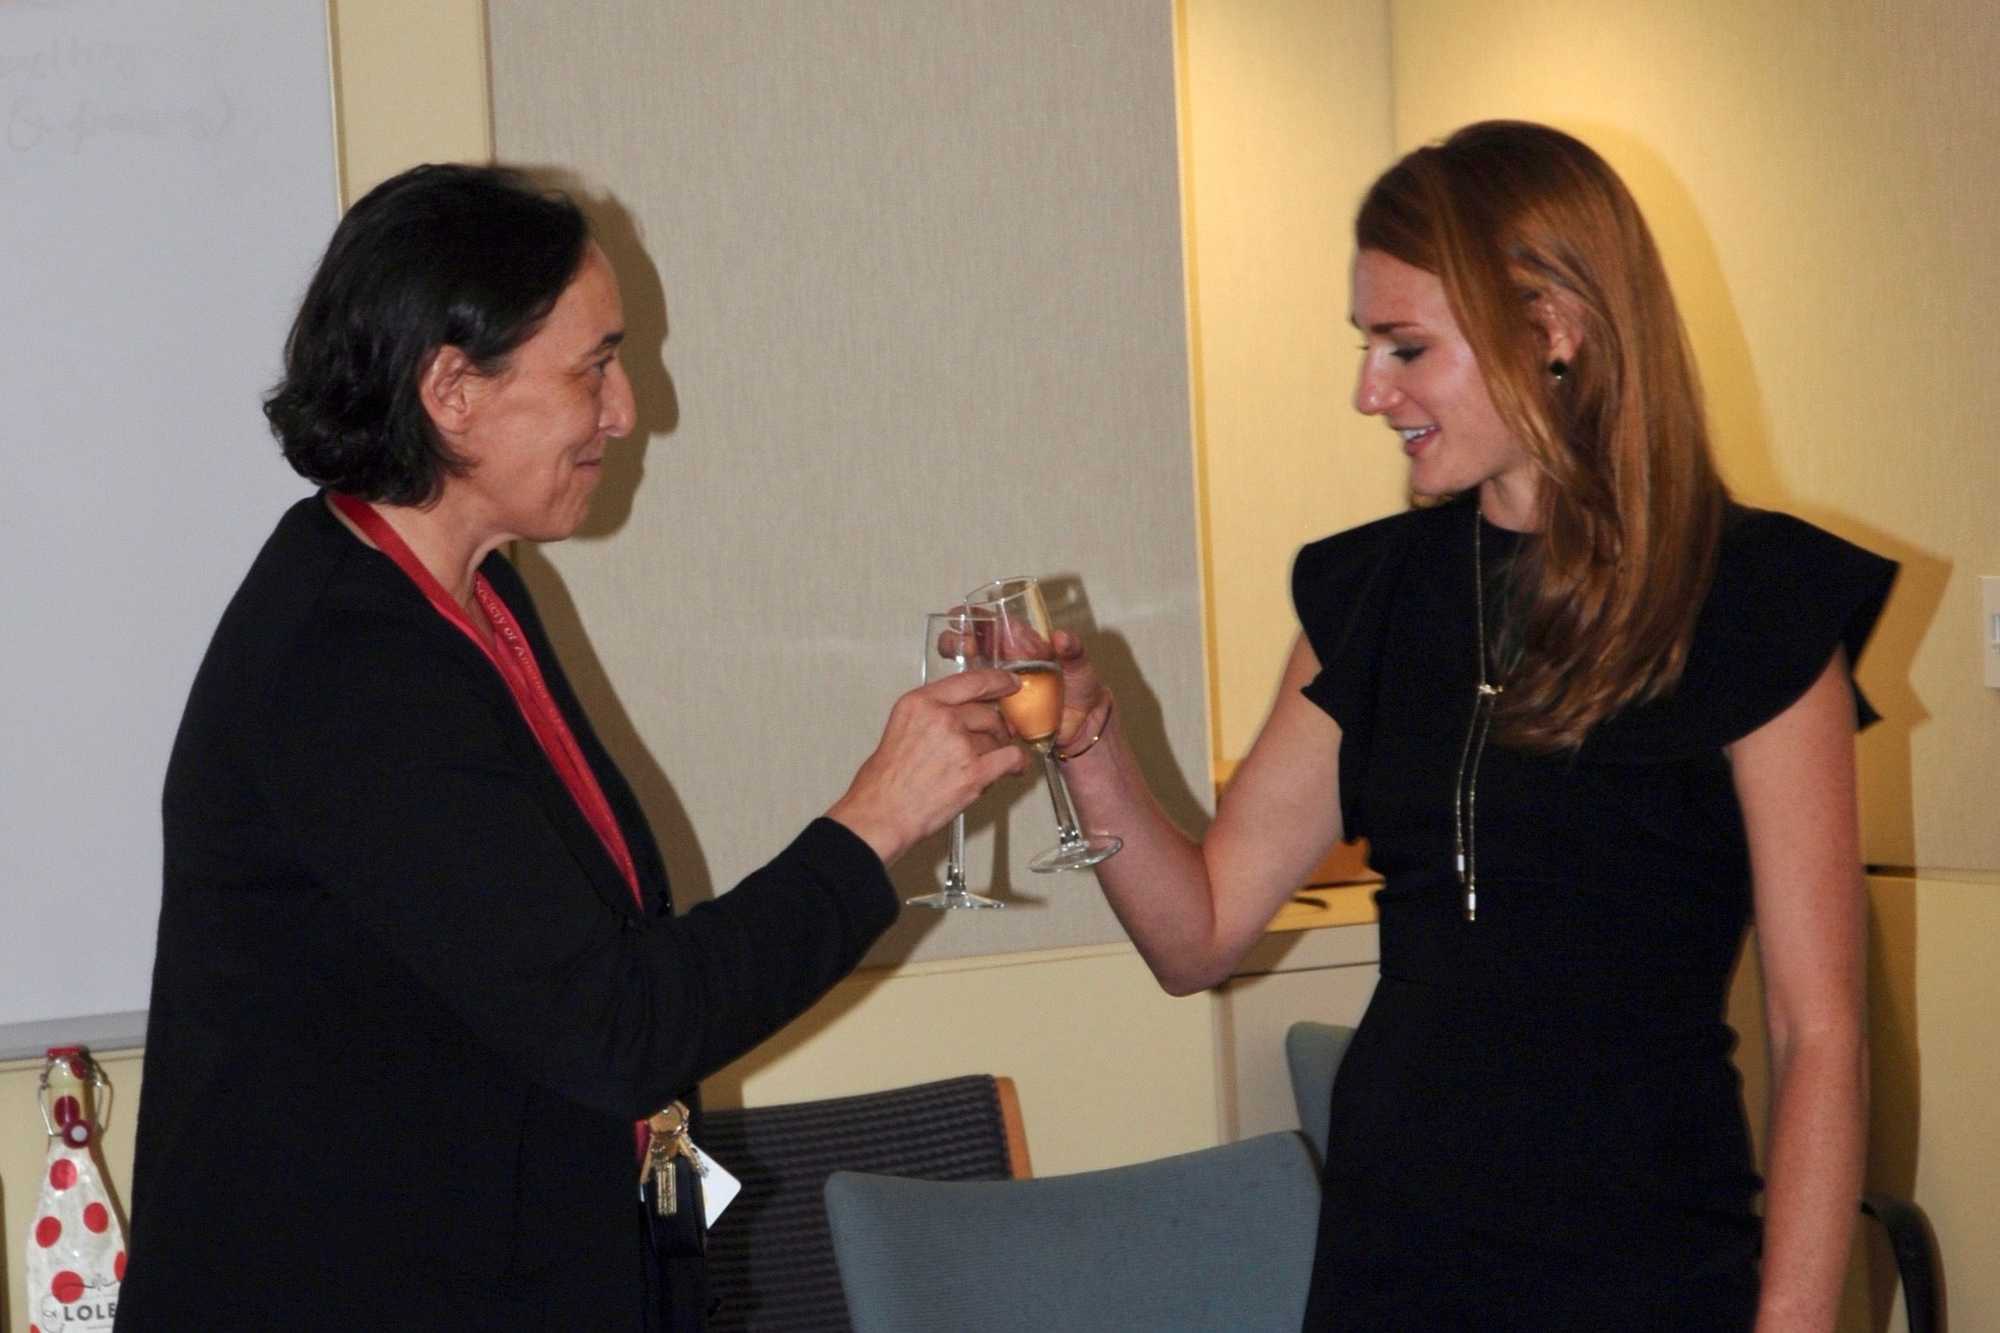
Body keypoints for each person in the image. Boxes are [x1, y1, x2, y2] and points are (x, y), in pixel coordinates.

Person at [116, 164, 1027, 1332]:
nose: (627, 409)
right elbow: (616, 1024)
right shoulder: (344, 660)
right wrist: (874, 826)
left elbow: (587, 986)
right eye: (591, 366)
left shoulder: (472, 595)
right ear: (452, 390)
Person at [1047, 122, 1895, 1329]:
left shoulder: (1752, 601)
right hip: (1393, 1257)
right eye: (1364, 347)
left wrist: (1795, 1321)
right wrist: (1086, 746)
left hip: (1641, 1259)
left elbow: (1818, 1034)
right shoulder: (1370, 597)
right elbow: (1198, 937)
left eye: (1404, 348)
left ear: (1551, 330)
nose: (1365, 391)